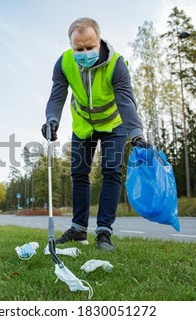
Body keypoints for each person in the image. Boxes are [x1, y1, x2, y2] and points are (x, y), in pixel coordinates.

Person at [42, 17, 148, 251]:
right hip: (83, 126)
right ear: (71, 46)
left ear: (99, 41)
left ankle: (103, 233)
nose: (84, 52)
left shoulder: (116, 64)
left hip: (113, 125)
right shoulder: (64, 63)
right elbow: (57, 95)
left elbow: (126, 102)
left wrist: (136, 134)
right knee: (79, 174)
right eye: (78, 48)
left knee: (111, 172)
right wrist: (52, 120)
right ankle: (79, 230)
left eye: (90, 47)